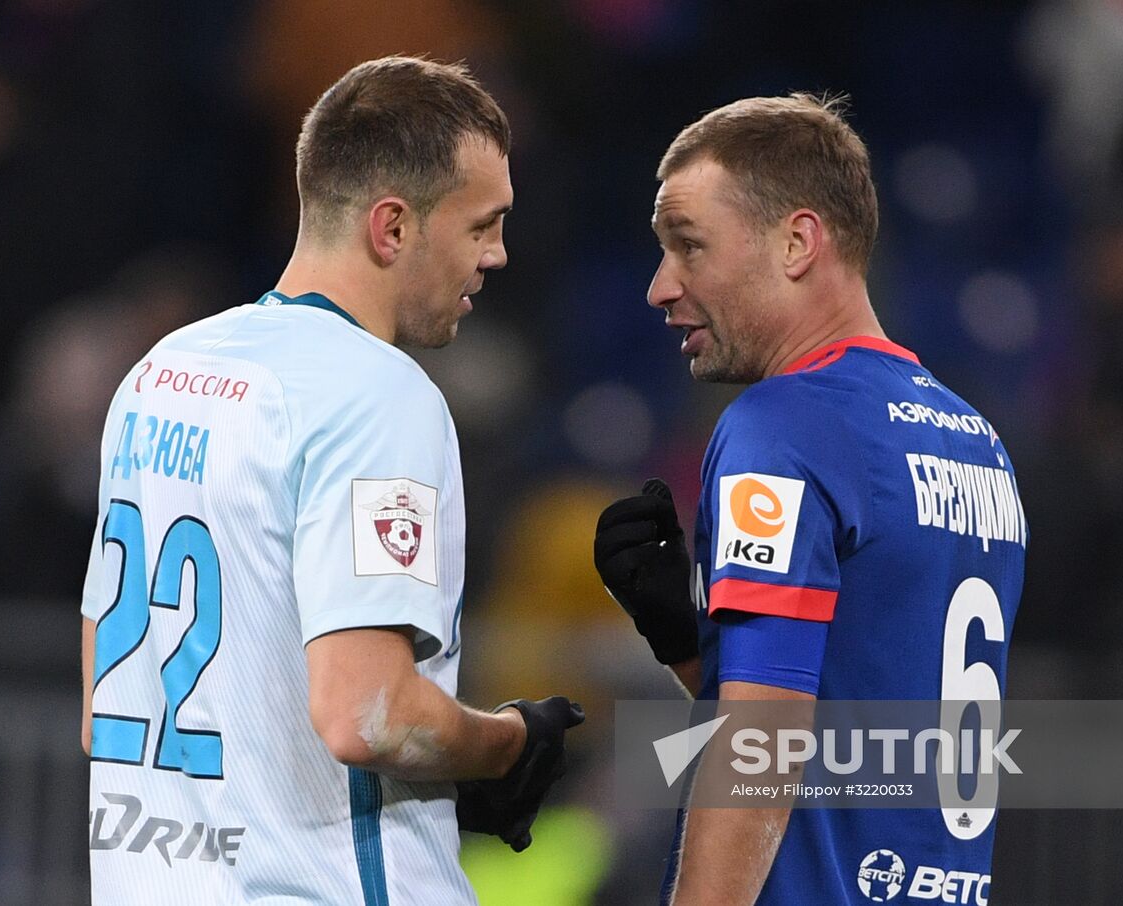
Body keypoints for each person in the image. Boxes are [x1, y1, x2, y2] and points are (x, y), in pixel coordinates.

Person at [80, 56, 584, 905]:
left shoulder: (159, 373)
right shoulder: (377, 395)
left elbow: (103, 704)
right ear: (392, 228)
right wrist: (507, 744)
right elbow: (369, 716)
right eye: (482, 225)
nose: (498, 255)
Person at [594, 94, 1026, 905]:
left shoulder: (782, 426)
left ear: (797, 242)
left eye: (689, 245)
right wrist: (692, 647)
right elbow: (851, 733)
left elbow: (760, 748)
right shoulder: (976, 442)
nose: (660, 286)